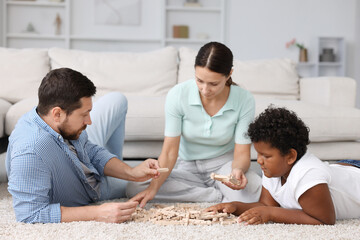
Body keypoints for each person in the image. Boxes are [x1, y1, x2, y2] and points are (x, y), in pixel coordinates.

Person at [6, 68, 162, 224]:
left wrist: (131, 172)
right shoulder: (30, 152)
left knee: (117, 100)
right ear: (57, 114)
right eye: (83, 115)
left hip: (84, 165)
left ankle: (125, 169)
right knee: (159, 180)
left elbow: (90, 151)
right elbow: (30, 214)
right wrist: (97, 212)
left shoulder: (56, 123)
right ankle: (120, 177)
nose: (89, 121)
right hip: (93, 187)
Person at [127, 42, 262, 207]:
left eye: (213, 84)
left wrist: (238, 171)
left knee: (256, 192)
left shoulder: (244, 99)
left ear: (229, 75)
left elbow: (242, 153)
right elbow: (169, 152)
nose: (205, 89)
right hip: (187, 168)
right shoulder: (178, 95)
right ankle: (214, 196)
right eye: (200, 81)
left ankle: (210, 192)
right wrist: (154, 188)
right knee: (135, 186)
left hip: (223, 166)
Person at [206, 106, 360, 225]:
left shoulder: (308, 176)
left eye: (266, 156)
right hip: (342, 169)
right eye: (258, 154)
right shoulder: (275, 170)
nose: (259, 161)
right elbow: (265, 204)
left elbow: (324, 219)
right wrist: (234, 207)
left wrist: (271, 214)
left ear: (290, 156)